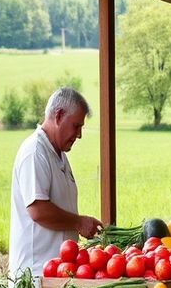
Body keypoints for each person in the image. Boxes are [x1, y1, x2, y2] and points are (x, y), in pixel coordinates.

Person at [9, 87, 102, 277]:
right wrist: (78, 222)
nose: (79, 134)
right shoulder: (35, 152)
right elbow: (38, 210)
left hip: (56, 275)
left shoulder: (58, 154)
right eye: (76, 126)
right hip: (35, 276)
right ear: (58, 116)